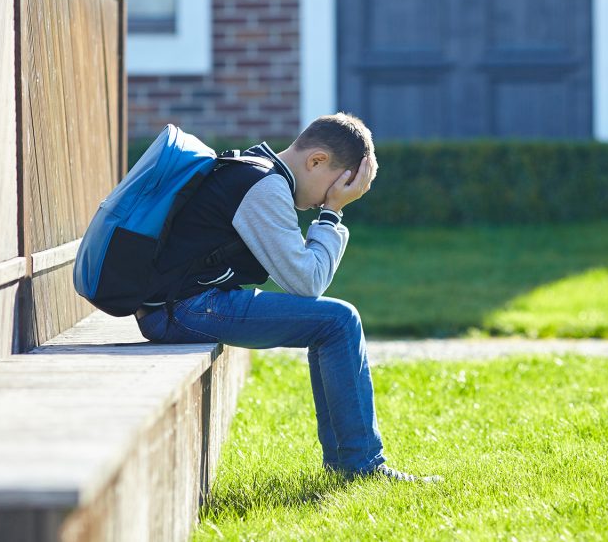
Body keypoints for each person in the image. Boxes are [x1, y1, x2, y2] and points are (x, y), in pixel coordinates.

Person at [135, 112, 442, 484]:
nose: (322, 201)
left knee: (332, 324)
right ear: (316, 161)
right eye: (332, 189)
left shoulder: (256, 169)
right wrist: (332, 214)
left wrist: (329, 205)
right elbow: (307, 281)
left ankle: (353, 462)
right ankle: (360, 465)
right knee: (338, 321)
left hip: (181, 305)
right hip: (184, 310)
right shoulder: (264, 187)